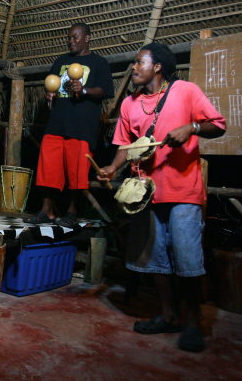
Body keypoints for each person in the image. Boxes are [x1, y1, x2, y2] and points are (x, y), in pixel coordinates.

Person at [97, 43, 226, 352]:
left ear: (157, 67)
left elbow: (218, 125)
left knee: (186, 258)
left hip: (183, 191)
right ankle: (168, 314)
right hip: (145, 193)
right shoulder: (129, 104)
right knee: (157, 260)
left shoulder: (186, 91)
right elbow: (125, 146)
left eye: (139, 62)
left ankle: (192, 323)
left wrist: (192, 128)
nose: (133, 67)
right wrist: (112, 168)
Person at [26, 22, 114, 227]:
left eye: (75, 37)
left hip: (82, 126)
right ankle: (46, 210)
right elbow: (53, 84)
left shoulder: (98, 62)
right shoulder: (61, 61)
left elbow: (105, 91)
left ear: (87, 38)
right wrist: (50, 94)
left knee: (77, 172)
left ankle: (72, 212)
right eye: (69, 38)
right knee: (48, 169)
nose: (71, 41)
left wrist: (83, 91)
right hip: (57, 124)